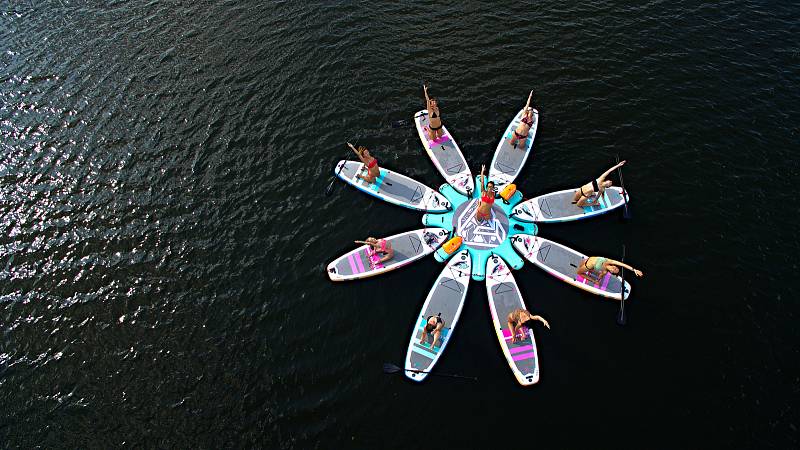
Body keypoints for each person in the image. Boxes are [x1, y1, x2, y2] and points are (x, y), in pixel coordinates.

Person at [576, 256, 644, 283]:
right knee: (580, 265)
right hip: (588, 259)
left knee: (578, 272)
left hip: (587, 266)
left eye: (614, 270)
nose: (615, 268)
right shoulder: (609, 261)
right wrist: (634, 270)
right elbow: (623, 264)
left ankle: (592, 280)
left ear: (611, 272)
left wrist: (597, 281)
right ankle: (591, 271)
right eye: (616, 268)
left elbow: (601, 276)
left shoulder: (605, 271)